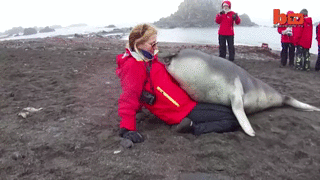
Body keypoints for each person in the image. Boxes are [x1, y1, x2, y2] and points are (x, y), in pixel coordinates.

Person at [116, 23, 240, 143]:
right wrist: (127, 128)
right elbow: (129, 96)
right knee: (232, 119)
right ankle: (192, 128)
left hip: (187, 103)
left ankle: (192, 124)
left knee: (228, 110)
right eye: (152, 44)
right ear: (139, 44)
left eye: (156, 43)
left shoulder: (148, 59)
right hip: (179, 112)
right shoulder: (133, 65)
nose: (156, 47)